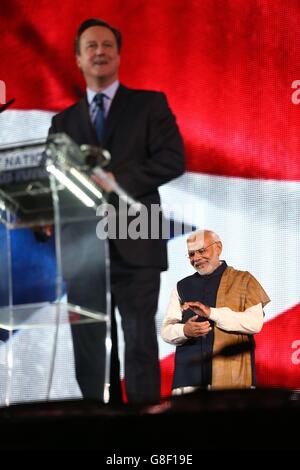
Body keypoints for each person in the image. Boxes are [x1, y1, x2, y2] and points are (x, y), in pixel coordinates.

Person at [48, 18, 185, 404]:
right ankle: (99, 426)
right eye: (90, 46)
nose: (99, 52)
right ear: (78, 58)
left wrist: (116, 179)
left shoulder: (149, 105)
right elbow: (55, 182)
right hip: (83, 251)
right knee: (91, 350)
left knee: (140, 342)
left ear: (119, 54)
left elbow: (173, 160)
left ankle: (143, 433)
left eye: (107, 45)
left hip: (137, 239)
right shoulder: (62, 122)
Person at [161, 229, 270, 394]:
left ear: (218, 248)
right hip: (189, 380)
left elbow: (254, 324)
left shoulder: (244, 280)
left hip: (233, 377)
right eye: (191, 254)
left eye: (201, 251)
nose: (196, 258)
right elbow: (166, 331)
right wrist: (185, 330)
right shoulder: (182, 286)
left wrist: (212, 313)